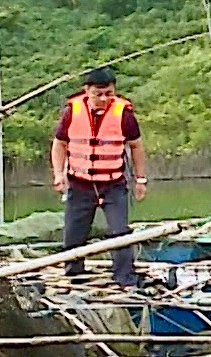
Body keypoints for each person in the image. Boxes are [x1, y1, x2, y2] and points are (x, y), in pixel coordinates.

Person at [51, 67, 148, 287]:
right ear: (87, 91)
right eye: (98, 94)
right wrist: (58, 174)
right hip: (79, 183)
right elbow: (59, 144)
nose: (104, 99)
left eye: (109, 93)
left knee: (120, 232)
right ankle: (74, 276)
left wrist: (140, 179)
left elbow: (136, 146)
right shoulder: (72, 111)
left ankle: (125, 278)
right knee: (74, 233)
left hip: (113, 184)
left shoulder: (124, 114)